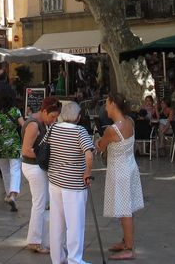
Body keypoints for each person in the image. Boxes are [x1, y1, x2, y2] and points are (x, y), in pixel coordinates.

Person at [96, 93, 144, 261]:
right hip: (129, 166)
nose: (105, 107)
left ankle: (129, 247)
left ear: (113, 104)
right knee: (127, 208)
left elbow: (101, 146)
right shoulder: (129, 121)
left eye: (107, 104)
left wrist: (97, 141)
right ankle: (126, 241)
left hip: (120, 171)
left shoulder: (112, 129)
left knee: (124, 210)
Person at [47, 100, 94, 264]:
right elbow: (89, 154)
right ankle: (75, 259)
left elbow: (45, 147)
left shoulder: (53, 128)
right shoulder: (80, 131)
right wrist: (87, 172)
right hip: (74, 183)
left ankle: (57, 258)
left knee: (56, 222)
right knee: (75, 224)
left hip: (54, 181)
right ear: (78, 117)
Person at [21, 97, 61, 255]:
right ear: (44, 111)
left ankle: (40, 239)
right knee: (40, 202)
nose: (54, 120)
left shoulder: (42, 122)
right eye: (52, 117)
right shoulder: (33, 125)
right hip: (33, 167)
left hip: (37, 166)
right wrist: (44, 158)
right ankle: (35, 241)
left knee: (43, 202)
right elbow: (26, 150)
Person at [0, 85, 25, 212]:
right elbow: (23, 126)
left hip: (0, 145)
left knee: (4, 171)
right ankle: (13, 194)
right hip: (14, 144)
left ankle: (8, 194)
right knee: (15, 169)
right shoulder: (15, 111)